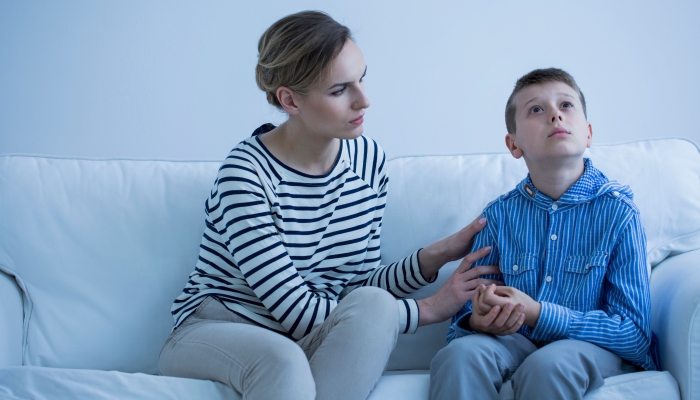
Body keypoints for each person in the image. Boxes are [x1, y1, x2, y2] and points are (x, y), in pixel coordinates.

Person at [158, 11, 523, 400]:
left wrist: (433, 257)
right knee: (282, 361)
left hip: (310, 338)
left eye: (362, 78)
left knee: (366, 305)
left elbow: (358, 289)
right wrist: (428, 309)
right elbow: (294, 311)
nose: (364, 100)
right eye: (339, 90)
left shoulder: (368, 162)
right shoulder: (245, 176)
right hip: (217, 329)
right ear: (289, 100)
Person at [429, 68, 660, 400]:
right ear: (514, 144)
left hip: (588, 347)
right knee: (459, 356)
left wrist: (538, 313)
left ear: (588, 133)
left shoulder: (619, 213)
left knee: (549, 364)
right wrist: (480, 321)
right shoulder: (498, 217)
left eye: (566, 105)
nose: (554, 114)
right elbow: (462, 323)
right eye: (536, 109)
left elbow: (634, 335)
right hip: (512, 343)